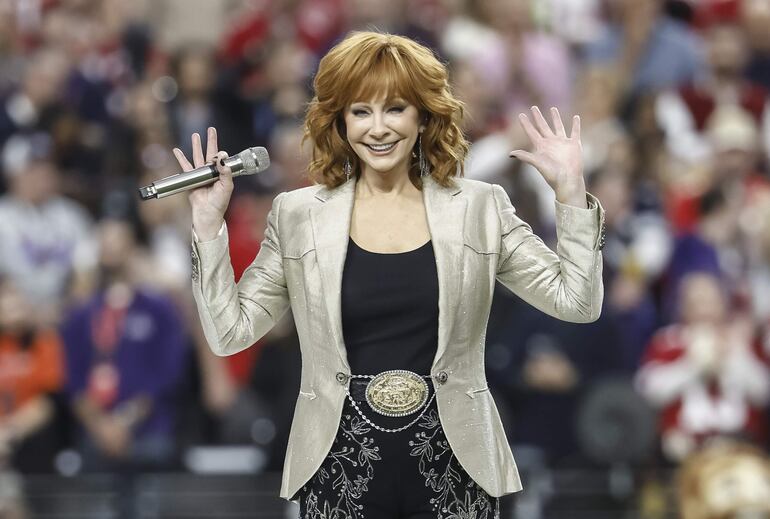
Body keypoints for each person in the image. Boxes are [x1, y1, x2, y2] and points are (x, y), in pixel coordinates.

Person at [181, 31, 605, 519]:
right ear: (339, 119)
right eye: (361, 111)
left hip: (454, 464)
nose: (377, 128)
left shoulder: (480, 207)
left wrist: (571, 196)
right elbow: (230, 334)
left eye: (395, 109)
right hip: (339, 466)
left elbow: (577, 301)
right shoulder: (297, 215)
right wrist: (209, 228)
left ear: (424, 115)